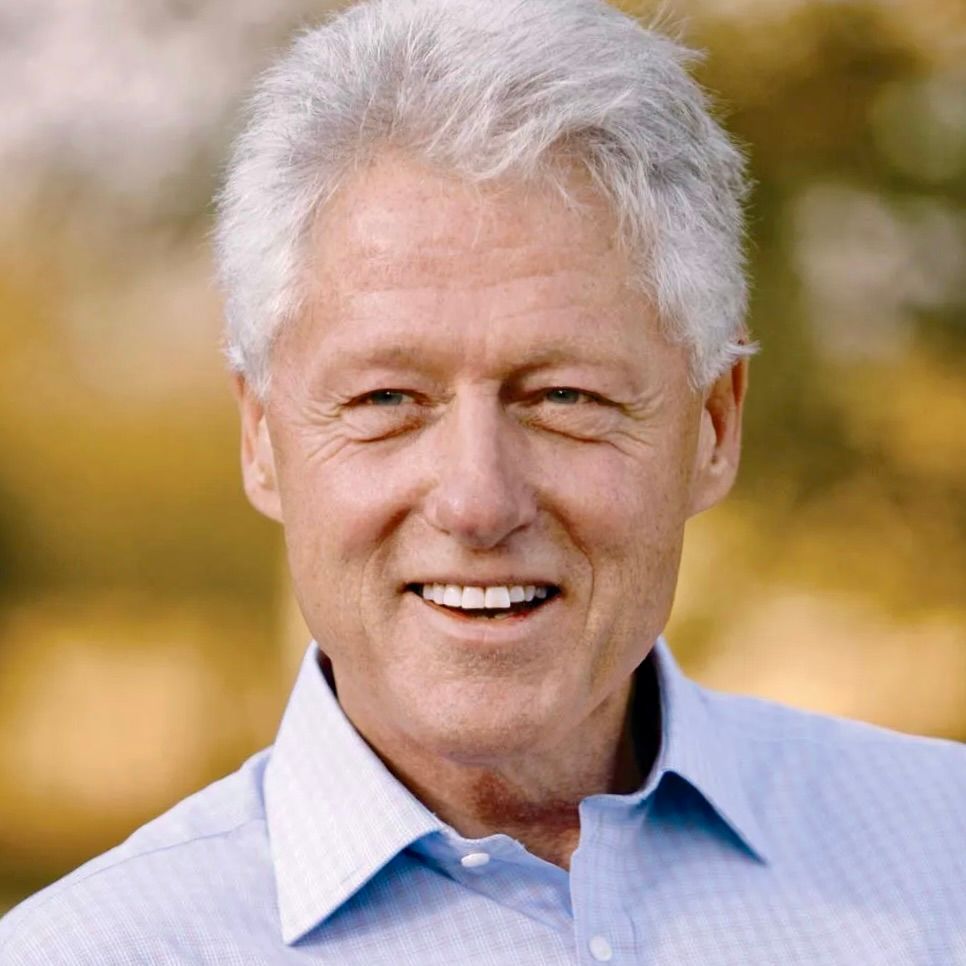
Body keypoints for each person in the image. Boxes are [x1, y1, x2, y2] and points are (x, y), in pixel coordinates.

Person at [2, 0, 964, 962]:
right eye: (387, 398)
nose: (477, 501)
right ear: (261, 437)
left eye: (565, 397)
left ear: (713, 426)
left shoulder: (942, 860)